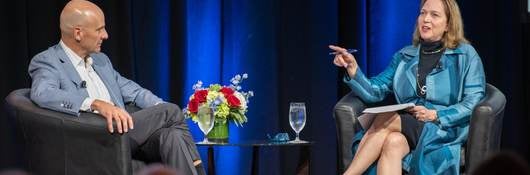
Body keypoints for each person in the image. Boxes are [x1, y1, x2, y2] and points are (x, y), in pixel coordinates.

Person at [27, 1, 205, 174]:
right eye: (99, 29)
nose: (105, 35)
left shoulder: (101, 60)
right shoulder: (47, 61)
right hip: (93, 137)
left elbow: (135, 92)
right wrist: (94, 103)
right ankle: (199, 169)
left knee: (172, 136)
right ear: (78, 33)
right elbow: (43, 93)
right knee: (172, 111)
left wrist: (164, 115)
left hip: (123, 132)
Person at [330, 0, 485, 174]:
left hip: (442, 128)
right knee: (393, 142)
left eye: (434, 15)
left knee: (386, 118)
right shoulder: (405, 56)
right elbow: (376, 90)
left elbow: (474, 101)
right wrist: (353, 69)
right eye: (422, 13)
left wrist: (437, 115)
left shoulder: (465, 55)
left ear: (448, 24)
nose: (426, 19)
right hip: (409, 123)